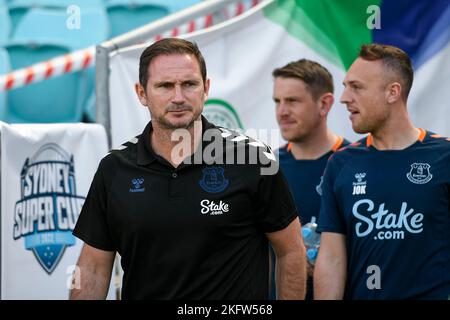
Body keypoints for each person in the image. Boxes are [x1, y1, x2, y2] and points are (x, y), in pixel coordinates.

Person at [69, 38, 306, 300]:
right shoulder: (114, 170)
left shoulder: (253, 160)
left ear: (205, 88)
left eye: (189, 84)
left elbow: (291, 252)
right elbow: (93, 268)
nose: (178, 97)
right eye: (165, 86)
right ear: (141, 93)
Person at [314, 43, 450, 299]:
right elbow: (332, 258)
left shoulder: (444, 156)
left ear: (392, 92)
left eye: (357, 87)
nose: (344, 98)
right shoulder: (340, 164)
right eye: (345, 87)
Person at [270, 59, 350, 300]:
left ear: (324, 104)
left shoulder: (356, 164)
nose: (282, 112)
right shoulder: (266, 168)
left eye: (292, 101)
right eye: (277, 102)